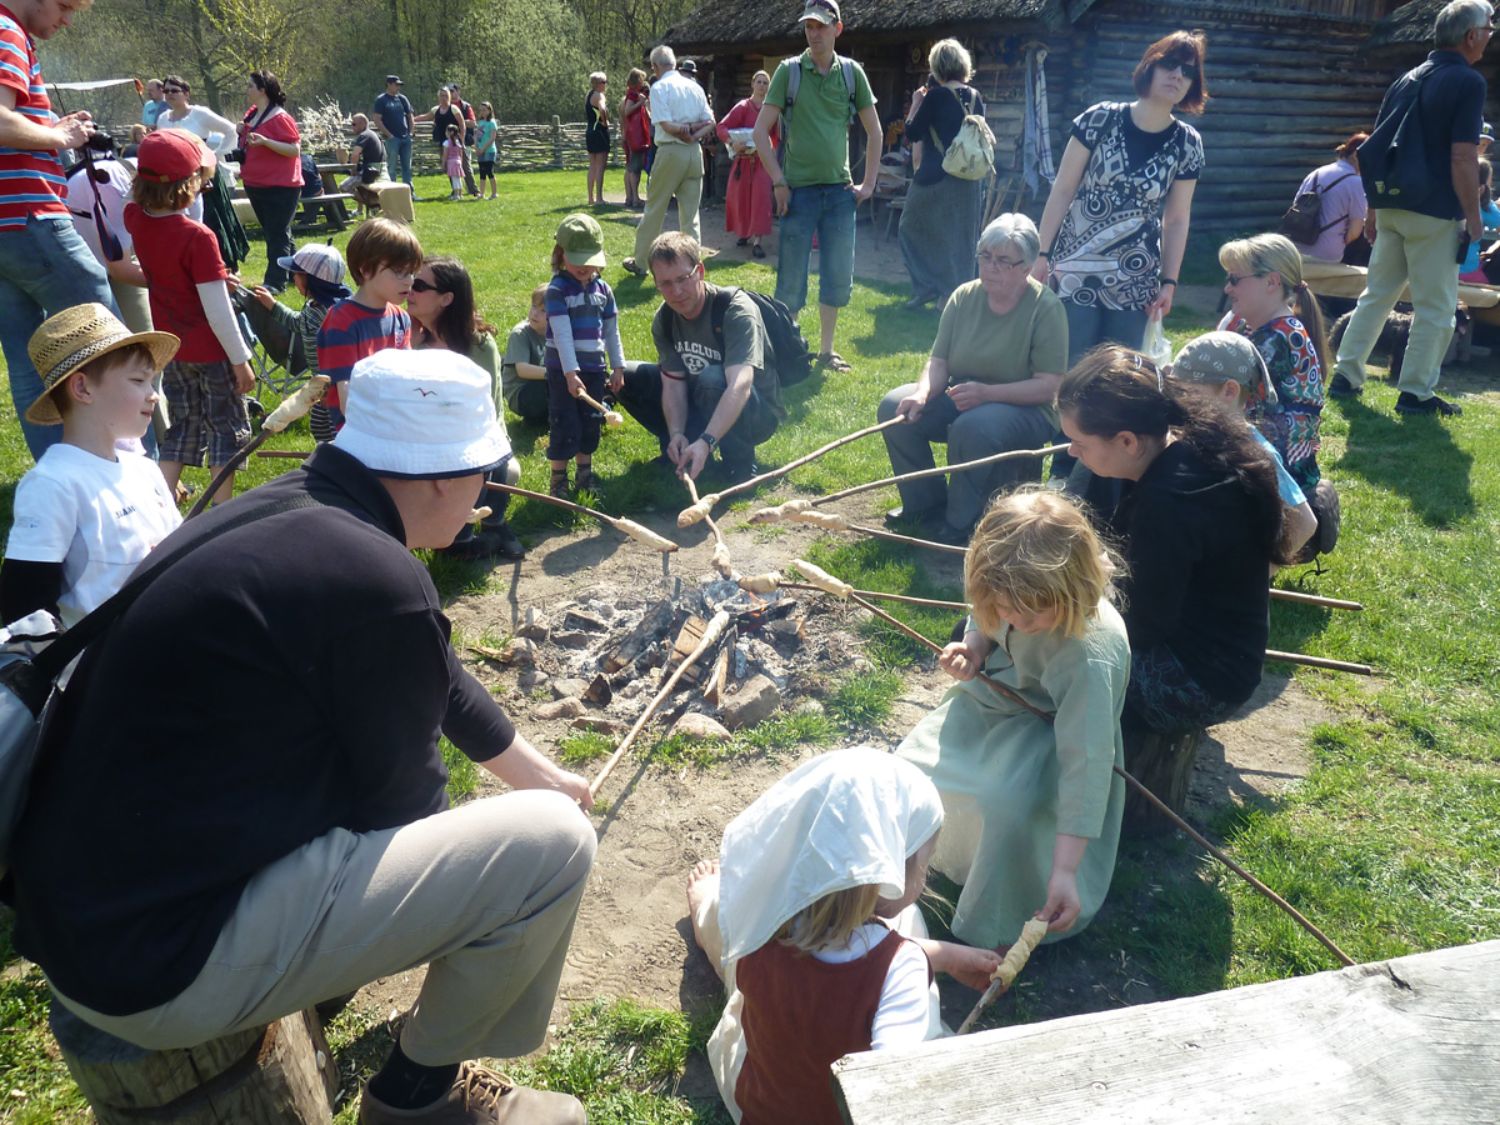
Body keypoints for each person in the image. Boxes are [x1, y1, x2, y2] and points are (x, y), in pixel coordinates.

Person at [4, 347, 595, 1125]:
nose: (488, 491)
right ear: (446, 475)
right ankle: (419, 1099)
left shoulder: (293, 506)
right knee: (552, 850)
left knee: (539, 808)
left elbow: (431, 663)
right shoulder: (373, 575)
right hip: (156, 966)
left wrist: (535, 770)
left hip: (92, 921)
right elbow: (406, 812)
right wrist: (524, 832)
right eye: (487, 471)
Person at [685, 747, 1001, 1125]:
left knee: (729, 938)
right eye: (924, 863)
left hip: (760, 1108)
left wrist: (943, 956)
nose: (926, 877)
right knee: (908, 922)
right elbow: (893, 1099)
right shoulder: (901, 969)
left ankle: (706, 903)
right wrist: (916, 963)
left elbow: (830, 976)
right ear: (885, 869)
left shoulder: (763, 919)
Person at [897, 490, 1129, 952]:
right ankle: (927, 870)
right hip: (992, 702)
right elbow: (983, 616)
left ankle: (1000, 916)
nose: (1014, 619)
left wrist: (1065, 872)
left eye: (1028, 612)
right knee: (909, 767)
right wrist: (976, 647)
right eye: (1004, 608)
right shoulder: (1011, 596)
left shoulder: (1089, 652)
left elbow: (1087, 761)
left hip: (1050, 731)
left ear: (1073, 586)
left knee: (1003, 805)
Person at [1057, 345, 1288, 735]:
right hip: (1226, 660)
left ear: (1128, 441)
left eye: (1080, 442)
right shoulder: (1187, 443)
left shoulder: (1169, 500)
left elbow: (1143, 625)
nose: (1071, 451)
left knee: (1037, 652)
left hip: (1196, 684)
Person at [1330, 0, 1491, 416]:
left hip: (1394, 206)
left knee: (1377, 295)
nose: (1491, 35)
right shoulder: (1469, 82)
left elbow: (1376, 149)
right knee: (1436, 308)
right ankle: (1416, 392)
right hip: (1435, 210)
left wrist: (1374, 208)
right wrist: (1473, 218)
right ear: (1470, 36)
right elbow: (1462, 156)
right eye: (1489, 28)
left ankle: (1346, 375)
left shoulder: (1407, 78)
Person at [877, 214, 1067, 544]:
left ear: (1026, 266)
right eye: (985, 257)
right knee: (894, 407)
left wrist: (988, 394)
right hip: (967, 394)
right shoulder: (964, 296)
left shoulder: (1045, 308)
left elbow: (1049, 385)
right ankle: (923, 502)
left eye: (1003, 261)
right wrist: (922, 393)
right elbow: (939, 360)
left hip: (1027, 408)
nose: (990, 267)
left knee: (973, 427)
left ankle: (960, 521)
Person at [0, 304, 180, 627]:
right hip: (97, 670)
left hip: (164, 647)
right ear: (82, 388)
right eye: (139, 380)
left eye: (152, 382)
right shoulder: (54, 484)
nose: (153, 395)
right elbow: (24, 605)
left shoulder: (146, 471)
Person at [0, 0, 120, 462]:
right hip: (29, 215)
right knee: (106, 340)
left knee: (28, 359)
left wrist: (50, 125)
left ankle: (57, 473)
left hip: (4, 227)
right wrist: (60, 138)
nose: (67, 20)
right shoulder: (7, 31)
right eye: (65, 5)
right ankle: (127, 466)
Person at [124, 130, 254, 507]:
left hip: (174, 348)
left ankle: (160, 510)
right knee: (225, 430)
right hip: (213, 351)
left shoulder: (135, 217)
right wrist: (240, 360)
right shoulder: (198, 236)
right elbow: (217, 310)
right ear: (189, 186)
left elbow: (168, 271)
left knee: (183, 428)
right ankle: (221, 514)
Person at [753, 0, 883, 372]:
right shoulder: (788, 72)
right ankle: (788, 352)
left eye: (821, 26)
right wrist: (779, 180)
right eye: (809, 26)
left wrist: (868, 184)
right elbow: (761, 132)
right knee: (791, 278)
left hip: (841, 194)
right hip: (798, 193)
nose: (814, 33)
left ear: (837, 29)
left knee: (837, 275)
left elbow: (875, 132)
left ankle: (826, 351)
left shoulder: (851, 74)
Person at [620, 232, 785, 482]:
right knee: (626, 376)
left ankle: (739, 463)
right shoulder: (664, 319)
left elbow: (741, 385)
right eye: (665, 283)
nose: (676, 291)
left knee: (711, 378)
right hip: (701, 397)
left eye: (683, 279)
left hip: (755, 411)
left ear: (700, 271)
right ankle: (681, 448)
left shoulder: (735, 310)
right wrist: (676, 431)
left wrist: (708, 441)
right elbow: (673, 383)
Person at [408, 254, 525, 561]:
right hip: (424, 442)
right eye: (409, 281)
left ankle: (490, 525)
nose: (410, 290)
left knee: (494, 456)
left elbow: (486, 411)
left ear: (447, 298)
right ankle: (460, 541)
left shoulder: (479, 345)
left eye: (419, 285)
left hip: (472, 437)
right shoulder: (408, 342)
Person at [1168, 331, 1320, 564]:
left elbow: (1304, 523)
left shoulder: (1255, 450)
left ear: (1229, 391)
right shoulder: (1197, 434)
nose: (1178, 402)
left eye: (1188, 394)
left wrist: (1255, 579)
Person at [1216, 234, 1329, 493]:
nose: (1227, 289)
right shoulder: (1259, 329)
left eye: (1235, 280)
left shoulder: (1279, 339)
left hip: (1277, 478)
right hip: (1264, 465)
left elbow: (1219, 393)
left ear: (1271, 282)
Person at [898, 39, 988, 309]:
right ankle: (952, 296)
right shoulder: (976, 97)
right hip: (970, 178)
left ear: (937, 65)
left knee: (909, 227)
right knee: (960, 239)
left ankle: (929, 287)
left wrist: (916, 102)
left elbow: (912, 132)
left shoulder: (935, 96)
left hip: (936, 176)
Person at [236, 243, 350, 447]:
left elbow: (296, 323)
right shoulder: (342, 304)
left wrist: (272, 306)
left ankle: (331, 460)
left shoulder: (315, 312)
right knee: (341, 426)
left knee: (324, 428)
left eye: (295, 274)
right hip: (344, 380)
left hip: (325, 385)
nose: (292, 278)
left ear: (310, 280)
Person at [545, 213, 624, 497]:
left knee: (590, 422)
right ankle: (558, 481)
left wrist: (617, 366)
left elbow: (612, 331)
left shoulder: (604, 290)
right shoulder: (557, 291)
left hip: (594, 368)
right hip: (562, 370)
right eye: (576, 258)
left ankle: (584, 475)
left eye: (588, 258)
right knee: (564, 421)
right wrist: (570, 373)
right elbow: (562, 334)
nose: (583, 266)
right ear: (560, 253)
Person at [316, 216, 421, 430]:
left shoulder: (400, 318)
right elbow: (347, 401)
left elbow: (408, 378)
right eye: (399, 271)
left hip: (396, 425)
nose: (409, 280)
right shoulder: (342, 321)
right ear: (365, 269)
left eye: (411, 272)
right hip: (359, 434)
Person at [622, 45, 715, 278]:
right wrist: (694, 135)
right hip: (694, 153)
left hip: (671, 151)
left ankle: (641, 262)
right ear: (675, 62)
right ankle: (693, 267)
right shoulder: (695, 87)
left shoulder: (660, 88)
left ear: (655, 66)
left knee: (655, 209)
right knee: (691, 215)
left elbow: (665, 125)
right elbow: (711, 121)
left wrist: (684, 131)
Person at [154, 74, 250, 273]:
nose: (169, 94)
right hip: (178, 180)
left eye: (174, 90)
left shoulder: (199, 114)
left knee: (212, 218)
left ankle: (226, 263)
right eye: (166, 91)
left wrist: (215, 154)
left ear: (186, 93)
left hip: (204, 176)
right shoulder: (163, 119)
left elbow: (231, 131)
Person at [237, 70, 303, 292]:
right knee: (278, 232)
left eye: (250, 86)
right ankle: (299, 273)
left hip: (281, 186)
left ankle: (274, 283)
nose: (246, 90)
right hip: (256, 183)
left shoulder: (280, 117)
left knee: (276, 235)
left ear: (262, 90)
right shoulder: (252, 114)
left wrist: (266, 141)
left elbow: (294, 150)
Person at [717, 70, 776, 259]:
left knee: (761, 200)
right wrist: (732, 142)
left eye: (765, 83)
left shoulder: (771, 110)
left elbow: (776, 136)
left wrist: (771, 148)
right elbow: (721, 127)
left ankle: (757, 241)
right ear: (752, 84)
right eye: (759, 82)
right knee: (741, 199)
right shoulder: (742, 107)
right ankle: (743, 232)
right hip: (743, 163)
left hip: (762, 162)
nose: (762, 86)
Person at [1286, 132, 1369, 264]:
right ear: (1356, 155)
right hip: (1327, 254)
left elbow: (1296, 207)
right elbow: (1354, 231)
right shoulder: (1356, 183)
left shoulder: (1316, 173)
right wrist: (1337, 242)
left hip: (1296, 248)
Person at [501, 283, 551, 425]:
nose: (535, 313)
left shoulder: (557, 333)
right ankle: (536, 417)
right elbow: (522, 370)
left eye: (543, 311)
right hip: (522, 394)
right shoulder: (520, 334)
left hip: (544, 385)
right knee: (551, 385)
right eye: (534, 306)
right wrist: (554, 374)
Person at [1459, 157, 1500, 281]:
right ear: (1483, 187)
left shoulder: (1451, 199)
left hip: (1442, 268)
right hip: (1467, 270)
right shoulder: (1485, 206)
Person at [373, 74, 415, 187]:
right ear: (389, 84)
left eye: (399, 85)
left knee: (407, 167)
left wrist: (410, 133)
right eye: (396, 85)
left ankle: (410, 192)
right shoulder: (381, 100)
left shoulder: (402, 99)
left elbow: (410, 116)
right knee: (391, 167)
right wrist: (389, 135)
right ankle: (392, 191)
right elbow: (377, 119)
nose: (398, 87)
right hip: (392, 139)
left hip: (405, 137)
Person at [620, 67, 651, 209]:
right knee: (635, 167)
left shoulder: (630, 94)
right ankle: (635, 198)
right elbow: (628, 111)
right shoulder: (633, 96)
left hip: (630, 135)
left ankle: (630, 197)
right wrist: (641, 103)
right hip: (635, 136)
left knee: (631, 167)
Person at [448, 82, 481, 198]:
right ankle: (455, 191)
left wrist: (459, 120)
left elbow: (472, 123)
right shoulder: (446, 107)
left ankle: (473, 190)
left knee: (466, 167)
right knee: (451, 167)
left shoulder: (465, 106)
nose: (451, 94)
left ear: (458, 92)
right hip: (450, 142)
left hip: (464, 141)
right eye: (449, 92)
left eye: (452, 91)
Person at [341, 113, 386, 195]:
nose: (352, 127)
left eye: (354, 124)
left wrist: (353, 171)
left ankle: (370, 203)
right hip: (377, 170)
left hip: (370, 172)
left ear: (362, 124)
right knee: (356, 183)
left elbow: (355, 155)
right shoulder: (372, 134)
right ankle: (361, 208)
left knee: (343, 187)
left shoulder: (364, 135)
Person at [585, 71, 610, 205]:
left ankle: (590, 198)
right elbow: (602, 109)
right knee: (600, 166)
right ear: (599, 84)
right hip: (599, 131)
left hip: (590, 131)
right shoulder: (600, 95)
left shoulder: (589, 95)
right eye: (604, 82)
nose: (606, 85)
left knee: (592, 165)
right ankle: (599, 198)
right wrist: (605, 122)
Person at [474, 102, 498, 199]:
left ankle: (494, 193)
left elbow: (492, 138)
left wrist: (483, 149)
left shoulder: (492, 123)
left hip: (489, 151)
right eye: (481, 110)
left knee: (489, 171)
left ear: (489, 111)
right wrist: (476, 147)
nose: (482, 112)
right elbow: (476, 136)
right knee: (482, 172)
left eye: (484, 110)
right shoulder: (480, 123)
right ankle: (482, 193)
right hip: (480, 151)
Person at [443, 122, 465, 201]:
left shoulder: (446, 143)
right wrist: (461, 162)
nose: (445, 133)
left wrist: (443, 163)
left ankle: (456, 195)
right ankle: (460, 193)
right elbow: (461, 154)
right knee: (459, 179)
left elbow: (445, 155)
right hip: (458, 161)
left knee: (454, 179)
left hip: (451, 163)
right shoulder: (458, 142)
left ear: (451, 132)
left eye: (447, 131)